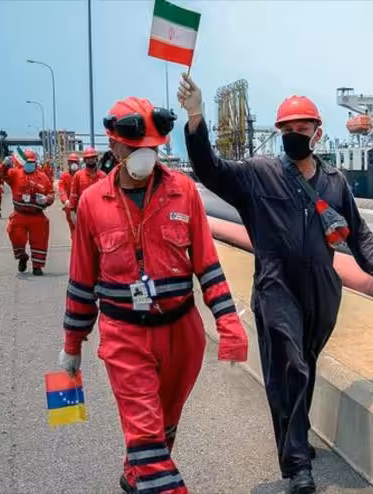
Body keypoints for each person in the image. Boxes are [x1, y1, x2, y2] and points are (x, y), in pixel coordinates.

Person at [179, 74, 373, 493]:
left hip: (320, 289)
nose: (294, 136)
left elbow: (357, 230)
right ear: (278, 134)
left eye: (302, 130)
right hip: (276, 283)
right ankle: (297, 464)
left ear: (317, 133)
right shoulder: (258, 175)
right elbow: (209, 169)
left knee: (305, 364)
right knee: (290, 366)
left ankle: (293, 436)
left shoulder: (335, 181)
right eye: (287, 130)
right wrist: (195, 117)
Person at [57, 96, 248, 494]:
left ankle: (136, 473)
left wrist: (228, 323)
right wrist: (71, 344)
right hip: (124, 335)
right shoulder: (93, 203)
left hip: (182, 333)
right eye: (136, 148)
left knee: (164, 423)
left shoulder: (183, 192)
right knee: (145, 431)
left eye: (152, 148)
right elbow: (81, 281)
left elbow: (208, 264)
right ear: (115, 147)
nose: (146, 156)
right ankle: (156, 477)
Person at [4, 149, 54, 275]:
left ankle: (37, 266)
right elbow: (3, 175)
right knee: (16, 236)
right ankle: (22, 257)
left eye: (32, 162)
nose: (29, 164)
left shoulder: (43, 178)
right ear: (22, 162)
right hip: (20, 214)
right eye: (27, 162)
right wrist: (5, 165)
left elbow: (51, 193)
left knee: (39, 241)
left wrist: (47, 199)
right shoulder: (15, 174)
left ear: (35, 163)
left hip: (37, 215)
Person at [68, 147, 106, 220]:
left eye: (92, 157)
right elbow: (73, 194)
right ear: (85, 160)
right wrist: (72, 211)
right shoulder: (78, 175)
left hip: (99, 211)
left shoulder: (103, 176)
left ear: (96, 159)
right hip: (83, 211)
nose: (91, 160)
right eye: (88, 158)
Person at [59, 153, 79, 236]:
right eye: (71, 162)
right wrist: (65, 200)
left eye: (75, 162)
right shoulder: (64, 176)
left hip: (82, 206)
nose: (73, 164)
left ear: (78, 163)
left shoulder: (82, 175)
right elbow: (61, 189)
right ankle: (75, 247)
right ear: (68, 163)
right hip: (70, 207)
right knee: (74, 230)